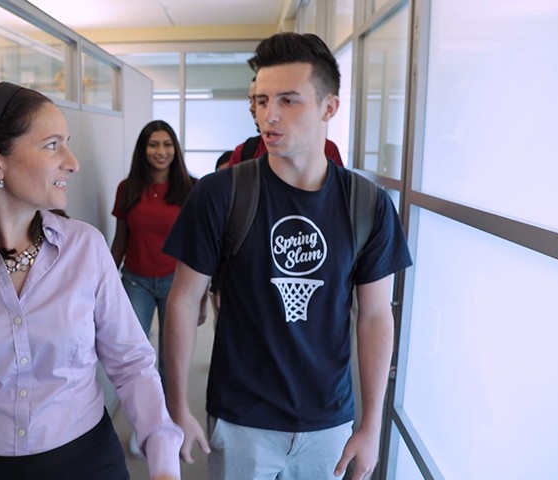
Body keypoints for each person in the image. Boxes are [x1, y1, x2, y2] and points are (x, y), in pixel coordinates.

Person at [0, 82, 183, 480]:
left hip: (85, 461)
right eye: (52, 145)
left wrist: (163, 464)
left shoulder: (85, 247)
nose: (73, 162)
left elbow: (131, 363)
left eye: (68, 143)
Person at [162, 33, 412, 480]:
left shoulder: (367, 204)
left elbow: (375, 315)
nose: (268, 115)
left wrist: (371, 425)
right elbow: (183, 299)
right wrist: (176, 406)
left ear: (328, 108)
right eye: (260, 100)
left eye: (288, 101)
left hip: (329, 422)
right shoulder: (221, 193)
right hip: (242, 419)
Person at [110, 120, 200, 455]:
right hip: (136, 281)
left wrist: (201, 297)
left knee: (170, 360)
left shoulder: (191, 188)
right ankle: (144, 424)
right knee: (136, 358)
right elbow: (121, 239)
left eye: (166, 145)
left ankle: (169, 422)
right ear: (143, 150)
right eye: (153, 145)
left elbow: (198, 246)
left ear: (175, 149)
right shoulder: (128, 188)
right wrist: (104, 279)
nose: (160, 152)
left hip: (179, 285)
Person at [225, 77, 345, 168]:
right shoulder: (245, 151)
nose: (252, 108)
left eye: (287, 101)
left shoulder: (325, 149)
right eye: (259, 101)